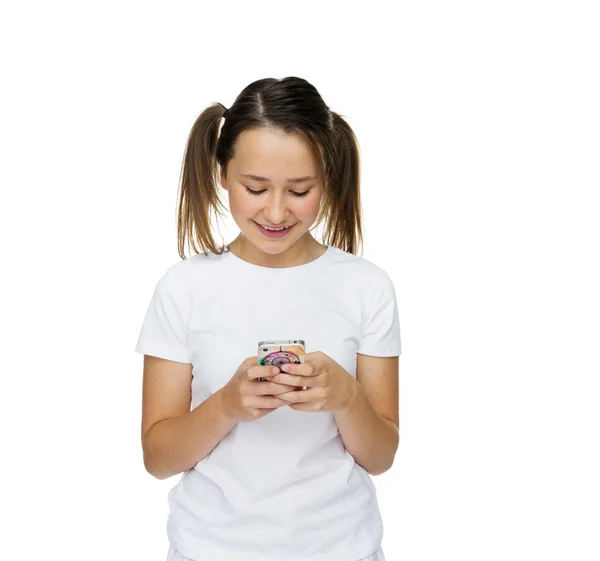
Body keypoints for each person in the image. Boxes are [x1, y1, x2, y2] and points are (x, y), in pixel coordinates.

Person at [135, 76, 402, 561]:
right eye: (255, 187)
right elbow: (157, 458)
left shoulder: (367, 286)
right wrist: (227, 406)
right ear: (222, 174)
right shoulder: (183, 288)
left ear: (328, 179)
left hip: (342, 548)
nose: (276, 211)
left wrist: (346, 396)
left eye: (300, 190)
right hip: (209, 549)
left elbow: (381, 457)